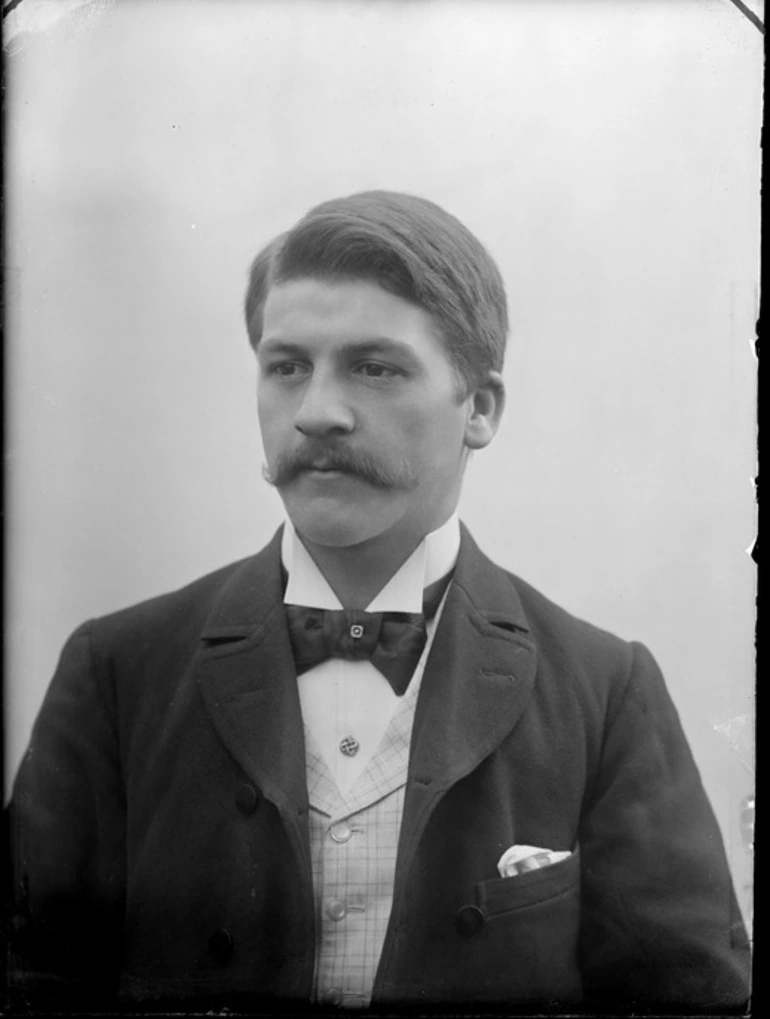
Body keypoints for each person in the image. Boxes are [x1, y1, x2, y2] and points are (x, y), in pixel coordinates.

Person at [7, 191, 750, 1013]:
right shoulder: (116, 673)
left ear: (480, 408)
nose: (318, 411)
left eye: (375, 366)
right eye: (287, 365)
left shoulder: (606, 692)